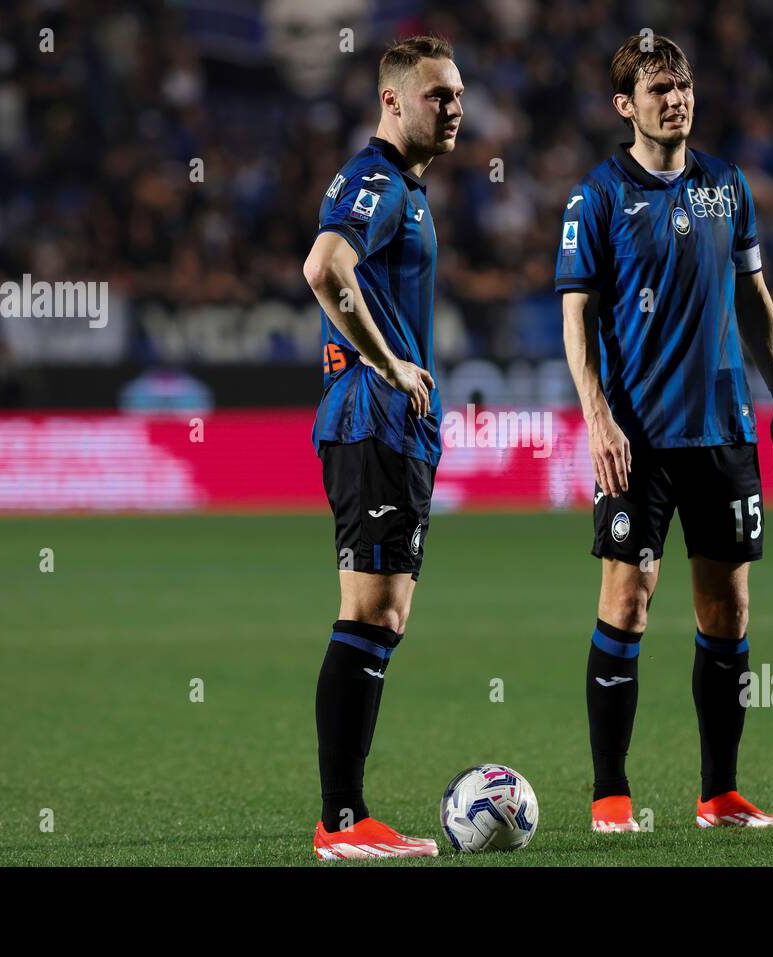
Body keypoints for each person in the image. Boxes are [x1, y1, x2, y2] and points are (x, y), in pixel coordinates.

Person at [557, 33, 773, 833]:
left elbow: (753, 297)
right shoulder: (596, 195)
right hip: (638, 438)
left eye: (684, 84)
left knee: (727, 612)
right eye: (659, 89)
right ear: (625, 106)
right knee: (627, 602)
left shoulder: (727, 185)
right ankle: (609, 796)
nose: (677, 98)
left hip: (724, 431)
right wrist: (596, 418)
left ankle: (720, 793)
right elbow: (576, 315)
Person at [301, 35, 463, 860]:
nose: (455, 108)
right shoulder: (376, 179)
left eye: (458, 94)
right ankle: (342, 820)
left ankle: (346, 816)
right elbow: (325, 267)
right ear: (393, 101)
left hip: (382, 422)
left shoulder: (399, 184)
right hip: (375, 418)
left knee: (383, 614)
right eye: (438, 95)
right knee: (369, 613)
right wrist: (387, 359)